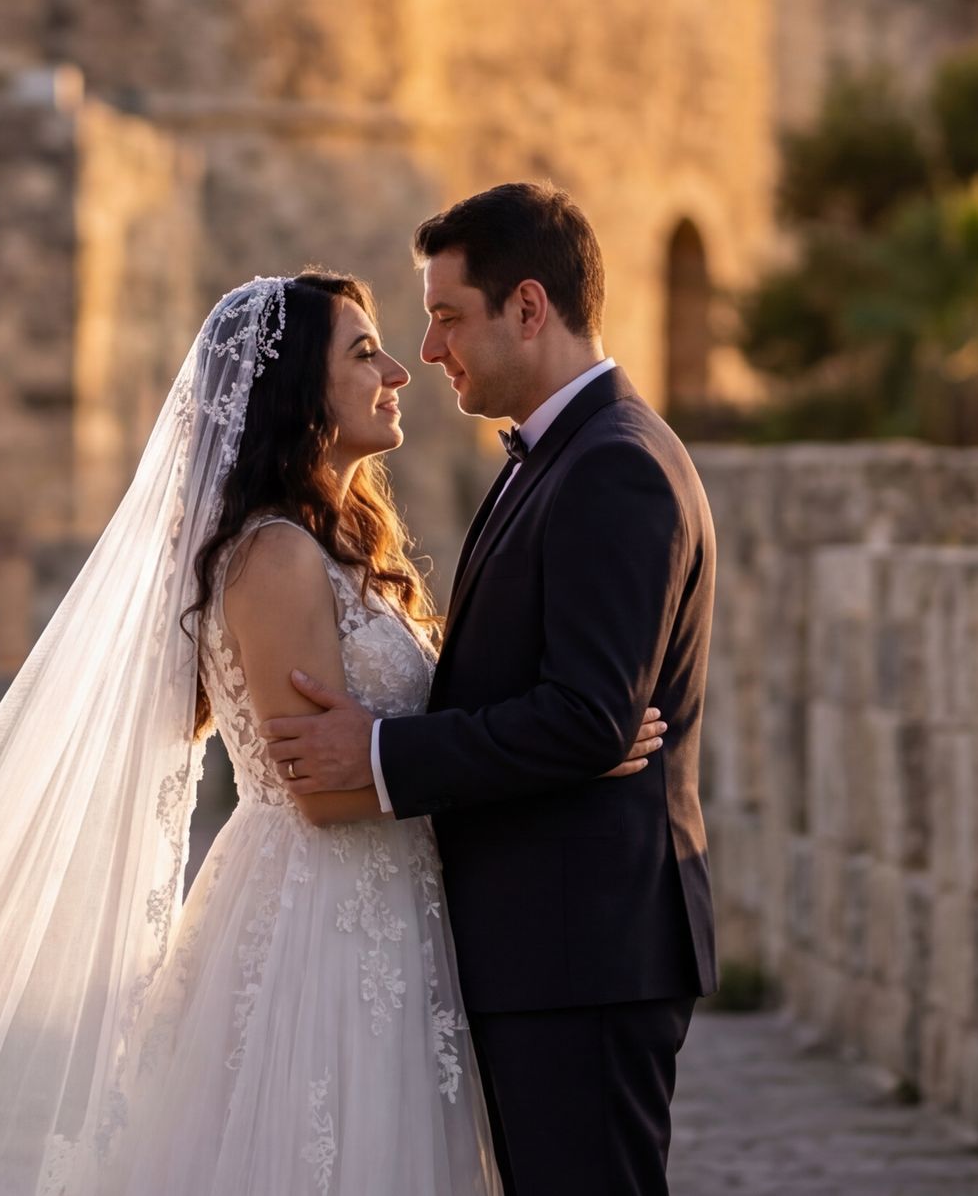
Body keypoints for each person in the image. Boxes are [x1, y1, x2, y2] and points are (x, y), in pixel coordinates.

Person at [0, 266, 662, 1195]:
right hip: (323, 915)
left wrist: (552, 735)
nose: (400, 369)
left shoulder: (337, 546)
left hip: (386, 912)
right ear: (295, 393)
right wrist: (564, 753)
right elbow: (322, 788)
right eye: (363, 352)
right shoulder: (274, 556)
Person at [265, 184, 718, 1196]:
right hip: (541, 949)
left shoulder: (616, 466)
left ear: (527, 307)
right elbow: (585, 715)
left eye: (446, 316)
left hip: (581, 953)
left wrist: (380, 755)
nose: (428, 352)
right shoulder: (549, 459)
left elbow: (591, 717)